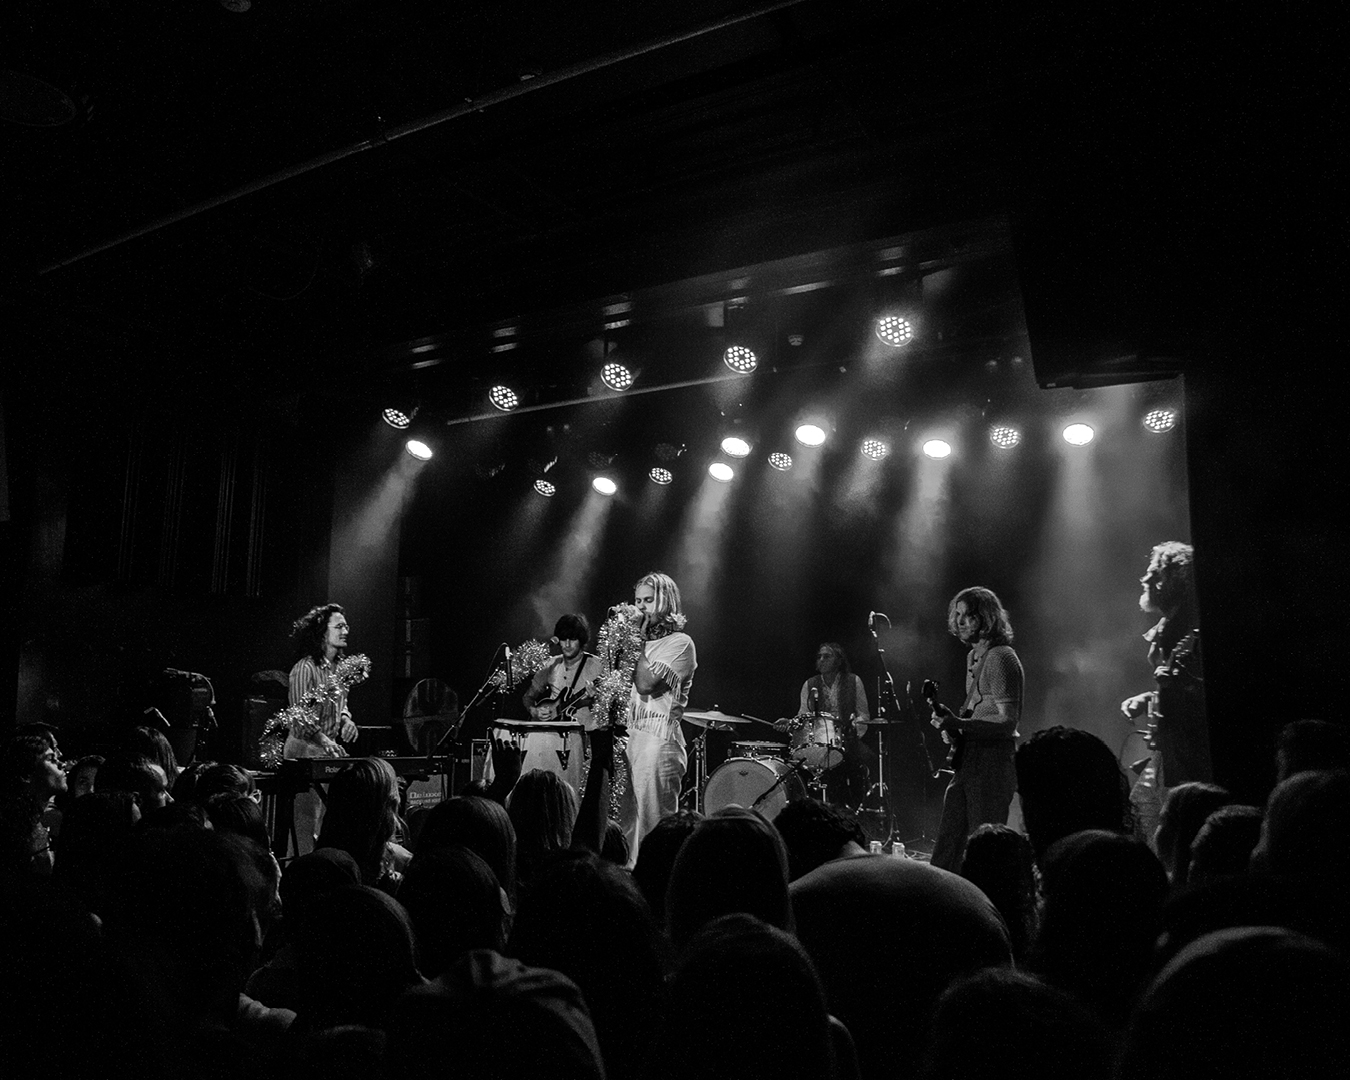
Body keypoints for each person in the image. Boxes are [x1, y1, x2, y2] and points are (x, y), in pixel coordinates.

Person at [929, 586, 1024, 872]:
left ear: (986, 617)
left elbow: (1008, 722)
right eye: (956, 615)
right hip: (969, 760)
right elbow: (982, 712)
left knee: (982, 851)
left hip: (992, 762)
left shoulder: (1001, 657)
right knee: (949, 843)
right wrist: (954, 728)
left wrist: (960, 724)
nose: (958, 622)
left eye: (967, 615)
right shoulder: (973, 657)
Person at [1120, 541, 1208, 842]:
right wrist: (1149, 698)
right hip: (1167, 747)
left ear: (1170, 580)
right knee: (1143, 808)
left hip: (1186, 750)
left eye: (1152, 572)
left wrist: (1175, 687)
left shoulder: (1194, 628)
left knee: (1177, 822)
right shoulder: (1169, 627)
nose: (1145, 580)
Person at [617, 571, 697, 865]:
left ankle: (656, 890)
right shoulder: (635, 644)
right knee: (625, 824)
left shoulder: (681, 643)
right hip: (628, 737)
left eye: (648, 600)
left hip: (658, 740)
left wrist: (637, 642)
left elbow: (646, 684)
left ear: (665, 601)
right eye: (637, 600)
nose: (640, 608)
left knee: (653, 826)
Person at [285, 603, 359, 855]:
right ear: (322, 633)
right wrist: (323, 739)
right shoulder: (305, 668)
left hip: (328, 753)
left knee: (326, 821)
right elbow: (299, 717)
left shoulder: (342, 670)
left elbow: (343, 705)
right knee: (304, 825)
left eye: (346, 626)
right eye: (339, 626)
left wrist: (347, 721)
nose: (345, 630)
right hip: (303, 751)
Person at [777, 643, 875, 807]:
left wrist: (850, 733)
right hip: (819, 741)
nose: (821, 660)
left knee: (869, 761)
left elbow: (863, 715)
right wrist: (789, 723)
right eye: (819, 656)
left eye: (827, 656)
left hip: (848, 740)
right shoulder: (809, 684)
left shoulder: (854, 681)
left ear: (839, 661)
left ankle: (861, 808)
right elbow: (802, 716)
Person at [518, 614, 605, 790]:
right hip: (552, 741)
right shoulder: (550, 665)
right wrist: (534, 711)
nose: (566, 645)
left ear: (581, 640)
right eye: (563, 639)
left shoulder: (597, 665)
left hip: (585, 740)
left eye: (572, 639)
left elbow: (609, 705)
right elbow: (528, 697)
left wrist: (594, 699)